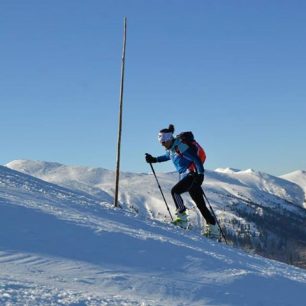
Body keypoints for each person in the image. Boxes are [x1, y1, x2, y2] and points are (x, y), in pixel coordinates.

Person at [145, 124, 219, 238]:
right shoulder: (171, 149)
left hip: (192, 174)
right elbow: (166, 156)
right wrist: (154, 159)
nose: (162, 144)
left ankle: (182, 218)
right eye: (160, 143)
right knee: (200, 204)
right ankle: (214, 230)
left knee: (175, 191)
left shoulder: (180, 147)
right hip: (188, 175)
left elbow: (196, 158)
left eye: (163, 142)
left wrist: (200, 174)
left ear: (169, 139)